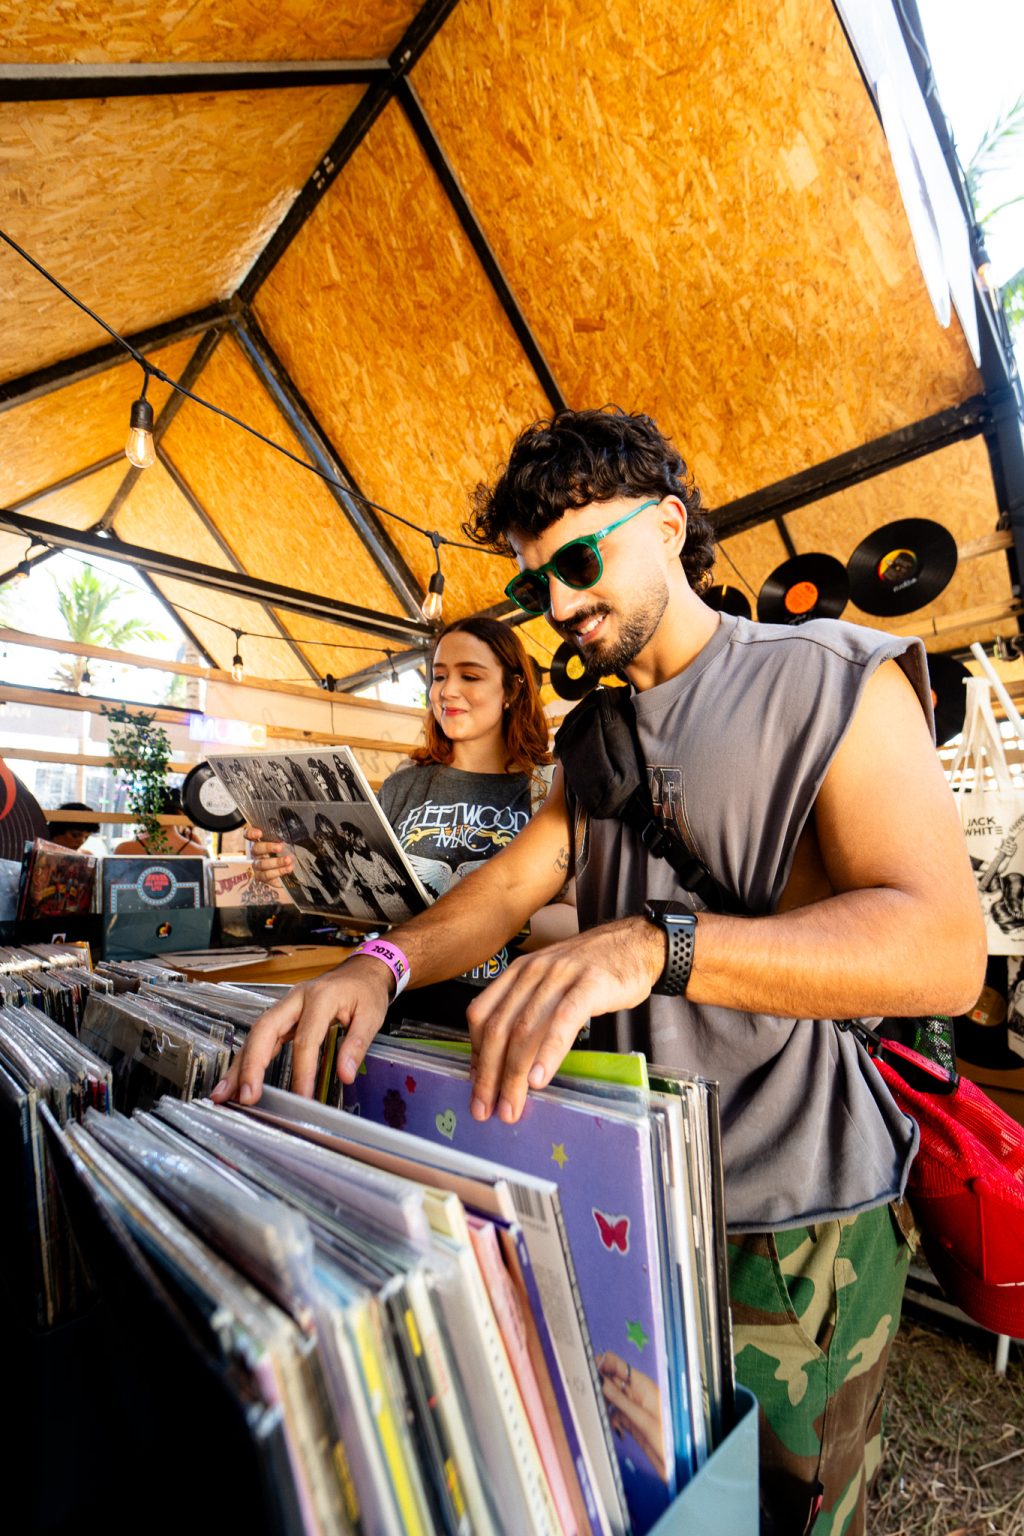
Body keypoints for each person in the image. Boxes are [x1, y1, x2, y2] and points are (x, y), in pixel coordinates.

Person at [216, 408, 984, 1535]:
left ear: (668, 525)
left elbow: (943, 950)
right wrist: (380, 963)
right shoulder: (593, 738)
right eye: (538, 583)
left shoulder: (831, 677)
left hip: (786, 1221)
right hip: (634, 1196)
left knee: (785, 1512)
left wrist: (654, 944)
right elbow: (503, 894)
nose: (562, 604)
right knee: (664, 1501)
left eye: (580, 562)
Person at [246, 616, 577, 1013]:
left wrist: (488, 917)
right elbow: (365, 913)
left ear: (511, 689)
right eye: (439, 677)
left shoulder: (548, 788)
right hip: (404, 1005)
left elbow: (578, 921)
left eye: (470, 676)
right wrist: (296, 870)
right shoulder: (404, 785)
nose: (447, 690)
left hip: (511, 1015)